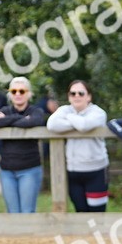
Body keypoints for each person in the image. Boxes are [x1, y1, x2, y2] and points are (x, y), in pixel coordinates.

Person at [46, 80, 109, 212]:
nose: (77, 96)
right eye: (73, 93)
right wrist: (76, 122)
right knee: (80, 212)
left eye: (81, 93)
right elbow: (52, 125)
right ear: (69, 97)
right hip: (73, 172)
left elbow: (84, 125)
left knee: (97, 214)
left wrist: (69, 118)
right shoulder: (65, 109)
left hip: (96, 171)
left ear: (89, 96)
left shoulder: (98, 113)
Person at [0, 77, 47, 214]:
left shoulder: (35, 111)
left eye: (22, 91)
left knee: (27, 212)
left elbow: (36, 121)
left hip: (29, 169)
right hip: (7, 170)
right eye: (14, 91)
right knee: (12, 212)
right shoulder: (6, 109)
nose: (18, 94)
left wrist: (6, 120)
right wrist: (20, 119)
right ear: (10, 94)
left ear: (28, 93)